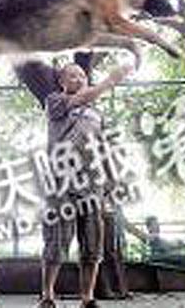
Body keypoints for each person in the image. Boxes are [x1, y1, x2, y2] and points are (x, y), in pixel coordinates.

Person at [38, 62, 133, 308]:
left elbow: (104, 149)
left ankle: (87, 298)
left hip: (92, 185)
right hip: (61, 183)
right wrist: (110, 81)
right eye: (72, 76)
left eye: (82, 75)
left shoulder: (97, 114)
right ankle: (47, 296)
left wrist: (112, 181)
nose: (79, 79)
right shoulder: (55, 101)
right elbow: (84, 97)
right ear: (62, 82)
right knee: (56, 243)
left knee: (92, 245)